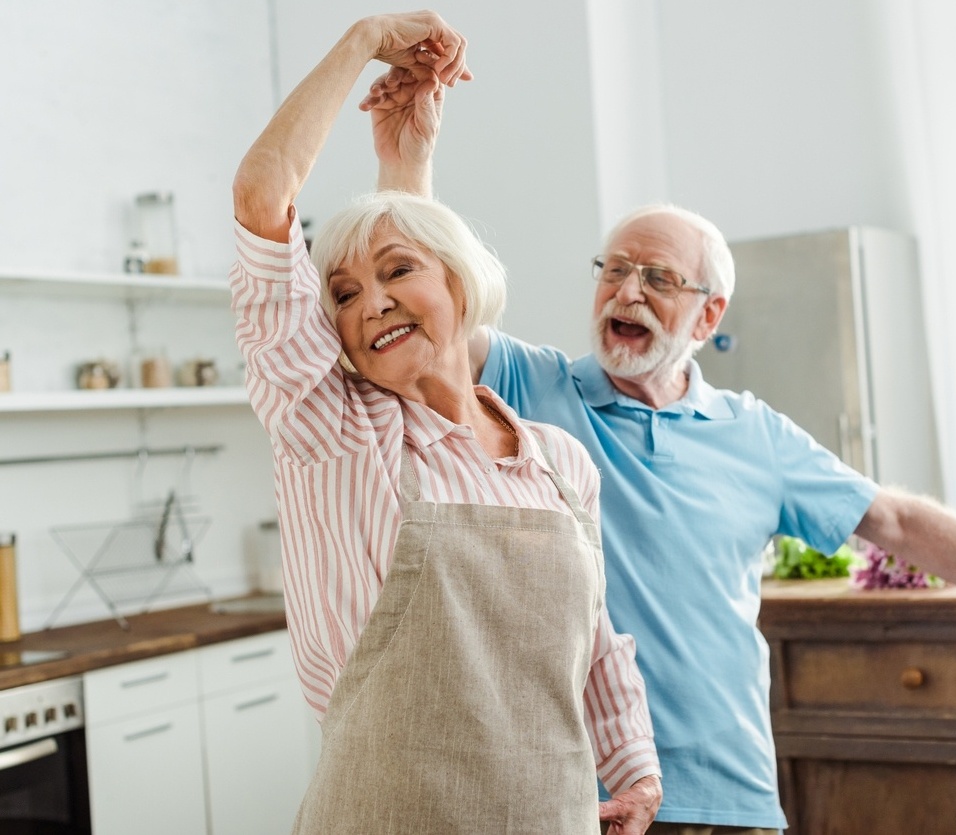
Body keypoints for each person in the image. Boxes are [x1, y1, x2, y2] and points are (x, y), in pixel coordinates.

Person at [366, 52, 956, 834]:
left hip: (733, 796)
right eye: (612, 269)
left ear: (707, 316)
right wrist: (404, 160)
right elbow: (425, 316)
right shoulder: (528, 386)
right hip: (571, 795)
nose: (625, 291)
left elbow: (892, 519)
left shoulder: (753, 433)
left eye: (656, 277)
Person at [229, 12, 662, 834]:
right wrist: (363, 42)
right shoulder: (337, 433)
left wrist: (635, 769)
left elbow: (596, 645)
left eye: (397, 273)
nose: (372, 301)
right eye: (344, 296)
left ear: (463, 286)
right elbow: (262, 196)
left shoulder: (560, 463)